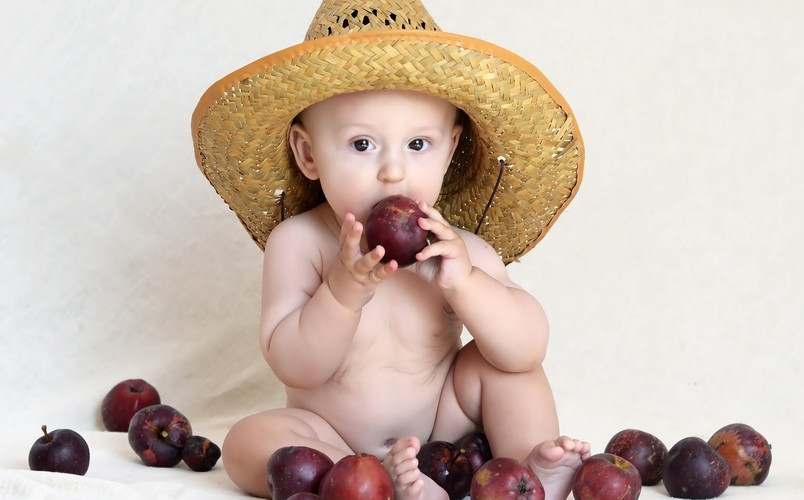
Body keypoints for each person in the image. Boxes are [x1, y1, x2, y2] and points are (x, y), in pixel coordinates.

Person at [191, 2, 587, 499]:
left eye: (418, 145)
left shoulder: (458, 251)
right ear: (308, 154)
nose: (393, 172)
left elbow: (528, 347)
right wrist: (341, 292)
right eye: (362, 145)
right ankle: (370, 482)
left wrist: (466, 285)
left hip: (446, 428)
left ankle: (524, 471)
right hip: (331, 435)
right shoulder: (301, 244)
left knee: (506, 368)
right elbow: (294, 365)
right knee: (249, 442)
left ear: (450, 149)